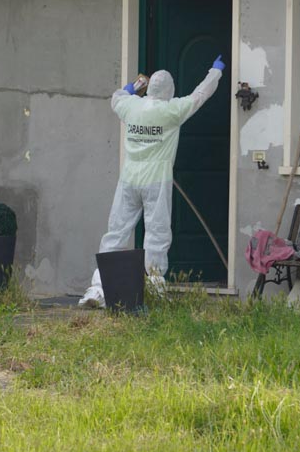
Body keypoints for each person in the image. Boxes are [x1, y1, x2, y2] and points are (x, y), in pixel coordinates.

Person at [80, 56, 226, 307]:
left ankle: (97, 289)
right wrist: (215, 71)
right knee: (156, 234)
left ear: (149, 89)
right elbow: (200, 95)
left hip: (128, 180)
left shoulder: (131, 106)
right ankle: (154, 288)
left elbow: (117, 97)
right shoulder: (172, 110)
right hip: (156, 182)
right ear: (169, 91)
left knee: (116, 232)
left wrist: (135, 86)